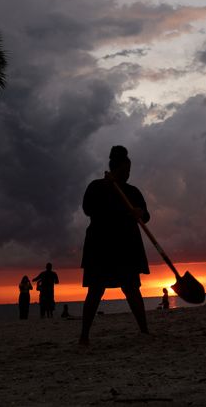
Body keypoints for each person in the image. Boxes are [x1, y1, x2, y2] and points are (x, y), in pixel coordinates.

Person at [79, 145, 150, 345]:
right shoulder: (97, 187)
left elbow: (146, 215)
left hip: (126, 247)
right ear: (115, 168)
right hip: (100, 246)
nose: (127, 175)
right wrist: (110, 195)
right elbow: (87, 209)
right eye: (125, 171)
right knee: (95, 290)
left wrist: (140, 212)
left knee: (132, 288)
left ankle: (144, 330)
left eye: (129, 172)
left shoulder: (132, 191)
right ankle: (84, 336)